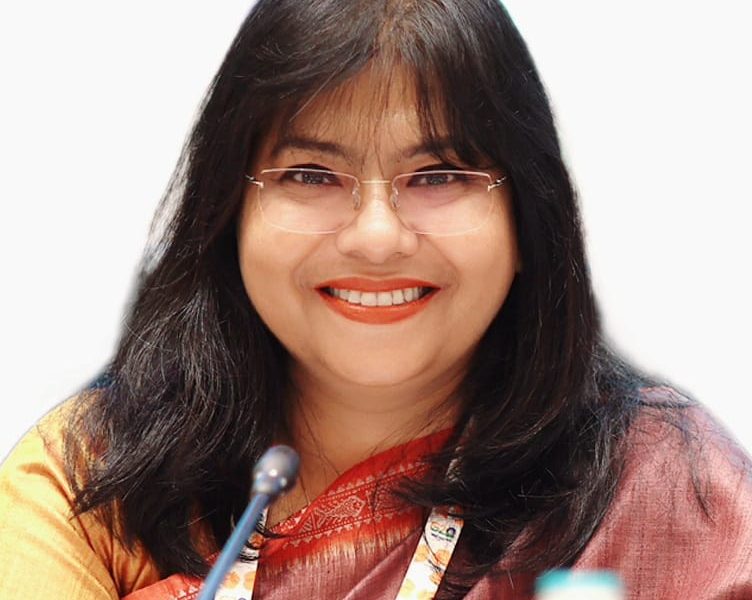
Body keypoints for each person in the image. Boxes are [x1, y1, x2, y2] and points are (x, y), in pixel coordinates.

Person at [1, 1, 750, 598]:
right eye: (310, 175)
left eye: (440, 175)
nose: (376, 238)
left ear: (528, 220)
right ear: (228, 214)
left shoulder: (670, 492)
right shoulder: (94, 474)